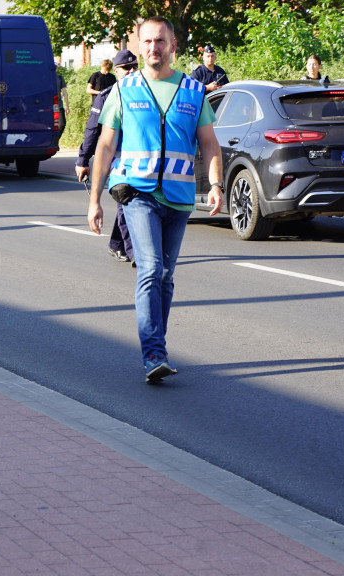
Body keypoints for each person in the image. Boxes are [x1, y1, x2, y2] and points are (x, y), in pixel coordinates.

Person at [87, 17, 224, 383]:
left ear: (173, 46)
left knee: (166, 276)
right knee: (149, 268)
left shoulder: (194, 92)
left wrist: (215, 184)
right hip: (136, 193)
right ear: (139, 45)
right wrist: (95, 200)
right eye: (147, 41)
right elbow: (105, 145)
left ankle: (156, 347)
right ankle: (153, 354)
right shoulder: (124, 89)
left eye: (160, 41)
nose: (154, 48)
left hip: (178, 199)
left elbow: (209, 143)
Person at [76, 50, 137, 264]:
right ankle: (134, 254)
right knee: (126, 201)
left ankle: (117, 244)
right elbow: (93, 129)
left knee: (129, 203)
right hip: (117, 161)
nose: (131, 72)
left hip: (140, 163)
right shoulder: (108, 95)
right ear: (118, 71)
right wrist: (83, 160)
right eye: (126, 68)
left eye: (134, 67)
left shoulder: (145, 92)